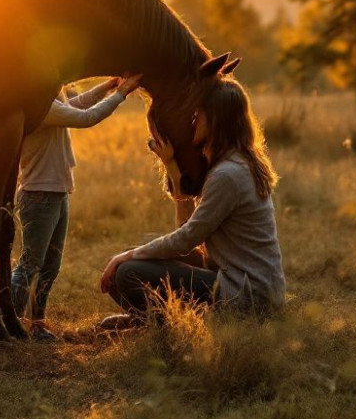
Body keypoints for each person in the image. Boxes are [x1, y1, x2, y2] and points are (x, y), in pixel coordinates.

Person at [97, 78, 284, 330]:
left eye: (199, 114)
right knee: (144, 253)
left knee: (128, 271)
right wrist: (172, 166)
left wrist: (124, 256)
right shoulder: (238, 163)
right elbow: (188, 230)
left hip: (246, 297)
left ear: (217, 120)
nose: (193, 120)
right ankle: (148, 320)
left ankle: (161, 326)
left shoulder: (228, 175)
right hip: (250, 287)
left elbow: (186, 239)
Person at [11, 75, 143, 340]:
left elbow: (78, 104)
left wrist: (107, 86)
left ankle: (36, 322)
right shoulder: (39, 105)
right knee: (31, 264)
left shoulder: (51, 100)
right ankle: (9, 322)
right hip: (40, 195)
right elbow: (85, 118)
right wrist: (121, 94)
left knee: (50, 265)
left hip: (56, 193)